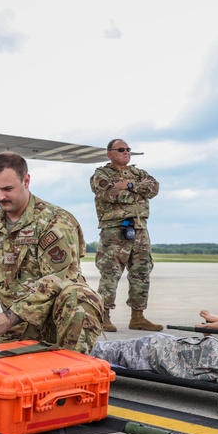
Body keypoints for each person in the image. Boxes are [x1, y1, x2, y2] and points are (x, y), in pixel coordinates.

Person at [0, 152, 103, 354]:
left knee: (80, 297)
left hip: (56, 327)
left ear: (26, 181)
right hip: (13, 330)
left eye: (8, 189)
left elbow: (61, 278)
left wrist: (9, 317)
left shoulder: (55, 222)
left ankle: (72, 365)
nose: (0, 197)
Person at [90, 138, 162, 332]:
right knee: (110, 274)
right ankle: (103, 316)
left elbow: (154, 188)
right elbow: (111, 194)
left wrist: (128, 185)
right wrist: (137, 190)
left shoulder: (138, 172)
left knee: (142, 272)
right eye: (121, 149)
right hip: (114, 230)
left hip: (139, 228)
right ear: (110, 153)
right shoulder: (101, 174)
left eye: (128, 149)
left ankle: (138, 317)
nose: (126, 152)